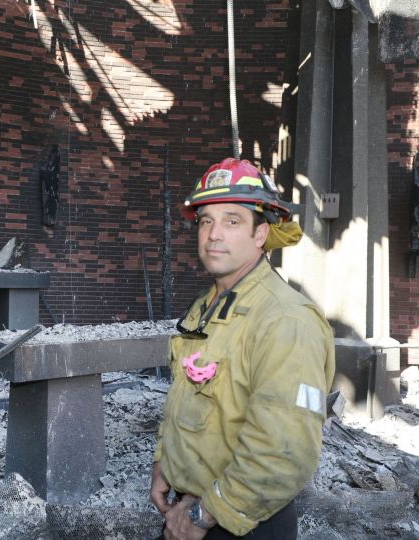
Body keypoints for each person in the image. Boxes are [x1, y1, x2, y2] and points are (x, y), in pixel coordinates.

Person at [150, 158, 336, 539]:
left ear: (260, 234)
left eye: (232, 221)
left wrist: (202, 515)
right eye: (206, 221)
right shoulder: (209, 306)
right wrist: (164, 466)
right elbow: (191, 400)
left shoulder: (286, 320)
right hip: (192, 507)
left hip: (240, 521)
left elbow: (283, 451)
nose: (214, 234)